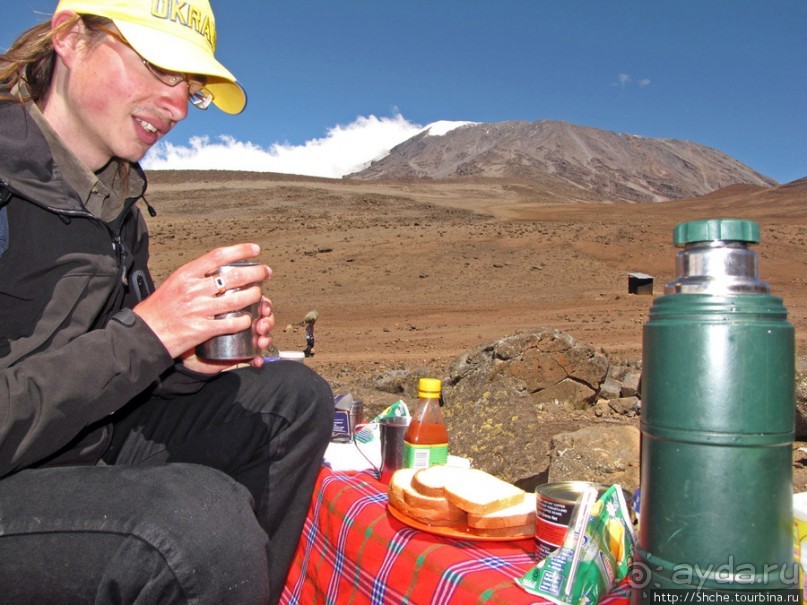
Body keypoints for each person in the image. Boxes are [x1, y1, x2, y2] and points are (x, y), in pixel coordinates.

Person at [0, 1, 334, 604]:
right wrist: (147, 335)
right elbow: (119, 349)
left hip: (74, 444)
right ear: (70, 38)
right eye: (157, 68)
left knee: (291, 400)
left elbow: (110, 370)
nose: (178, 107)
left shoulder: (116, 208)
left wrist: (183, 358)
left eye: (191, 89)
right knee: (197, 527)